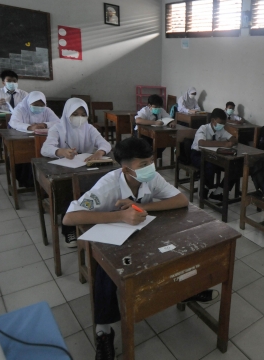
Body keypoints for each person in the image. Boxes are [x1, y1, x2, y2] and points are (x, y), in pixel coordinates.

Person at [63, 137, 217, 360]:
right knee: (106, 273)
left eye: (151, 162)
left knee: (174, 245)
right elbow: (69, 218)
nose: (150, 168)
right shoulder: (107, 185)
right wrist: (120, 216)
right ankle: (104, 331)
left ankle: (185, 290)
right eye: (143, 165)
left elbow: (181, 200)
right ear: (126, 169)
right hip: (110, 236)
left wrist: (142, 206)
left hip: (140, 233)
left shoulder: (151, 178)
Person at [41, 98, 112, 248]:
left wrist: (100, 152)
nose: (79, 118)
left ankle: (92, 220)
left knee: (100, 186)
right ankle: (69, 229)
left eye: (83, 114)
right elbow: (45, 149)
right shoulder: (57, 128)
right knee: (69, 189)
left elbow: (105, 143)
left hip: (85, 166)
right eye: (75, 114)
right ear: (67, 113)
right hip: (64, 169)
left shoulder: (89, 128)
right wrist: (61, 151)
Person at [9, 91, 60, 188]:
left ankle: (44, 182)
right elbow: (14, 122)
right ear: (29, 103)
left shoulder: (47, 110)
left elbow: (58, 122)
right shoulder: (20, 109)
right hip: (23, 140)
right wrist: (29, 127)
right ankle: (29, 182)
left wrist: (45, 124)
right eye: (35, 105)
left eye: (42, 105)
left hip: (42, 139)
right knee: (25, 155)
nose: (39, 107)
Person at [191, 108, 238, 202]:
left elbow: (233, 138)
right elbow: (201, 143)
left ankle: (218, 192)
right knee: (210, 165)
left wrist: (232, 141)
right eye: (221, 123)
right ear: (213, 120)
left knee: (235, 167)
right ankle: (204, 189)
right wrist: (224, 144)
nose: (222, 125)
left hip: (213, 156)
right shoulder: (203, 128)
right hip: (197, 155)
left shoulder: (221, 130)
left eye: (224, 123)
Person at [134, 94, 176, 162]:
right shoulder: (144, 110)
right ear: (149, 105)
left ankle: (153, 158)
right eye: (156, 106)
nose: (158, 108)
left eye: (159, 106)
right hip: (142, 133)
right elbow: (138, 120)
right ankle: (146, 159)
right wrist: (154, 123)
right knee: (145, 144)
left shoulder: (161, 110)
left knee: (164, 142)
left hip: (155, 133)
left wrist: (172, 122)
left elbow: (169, 118)